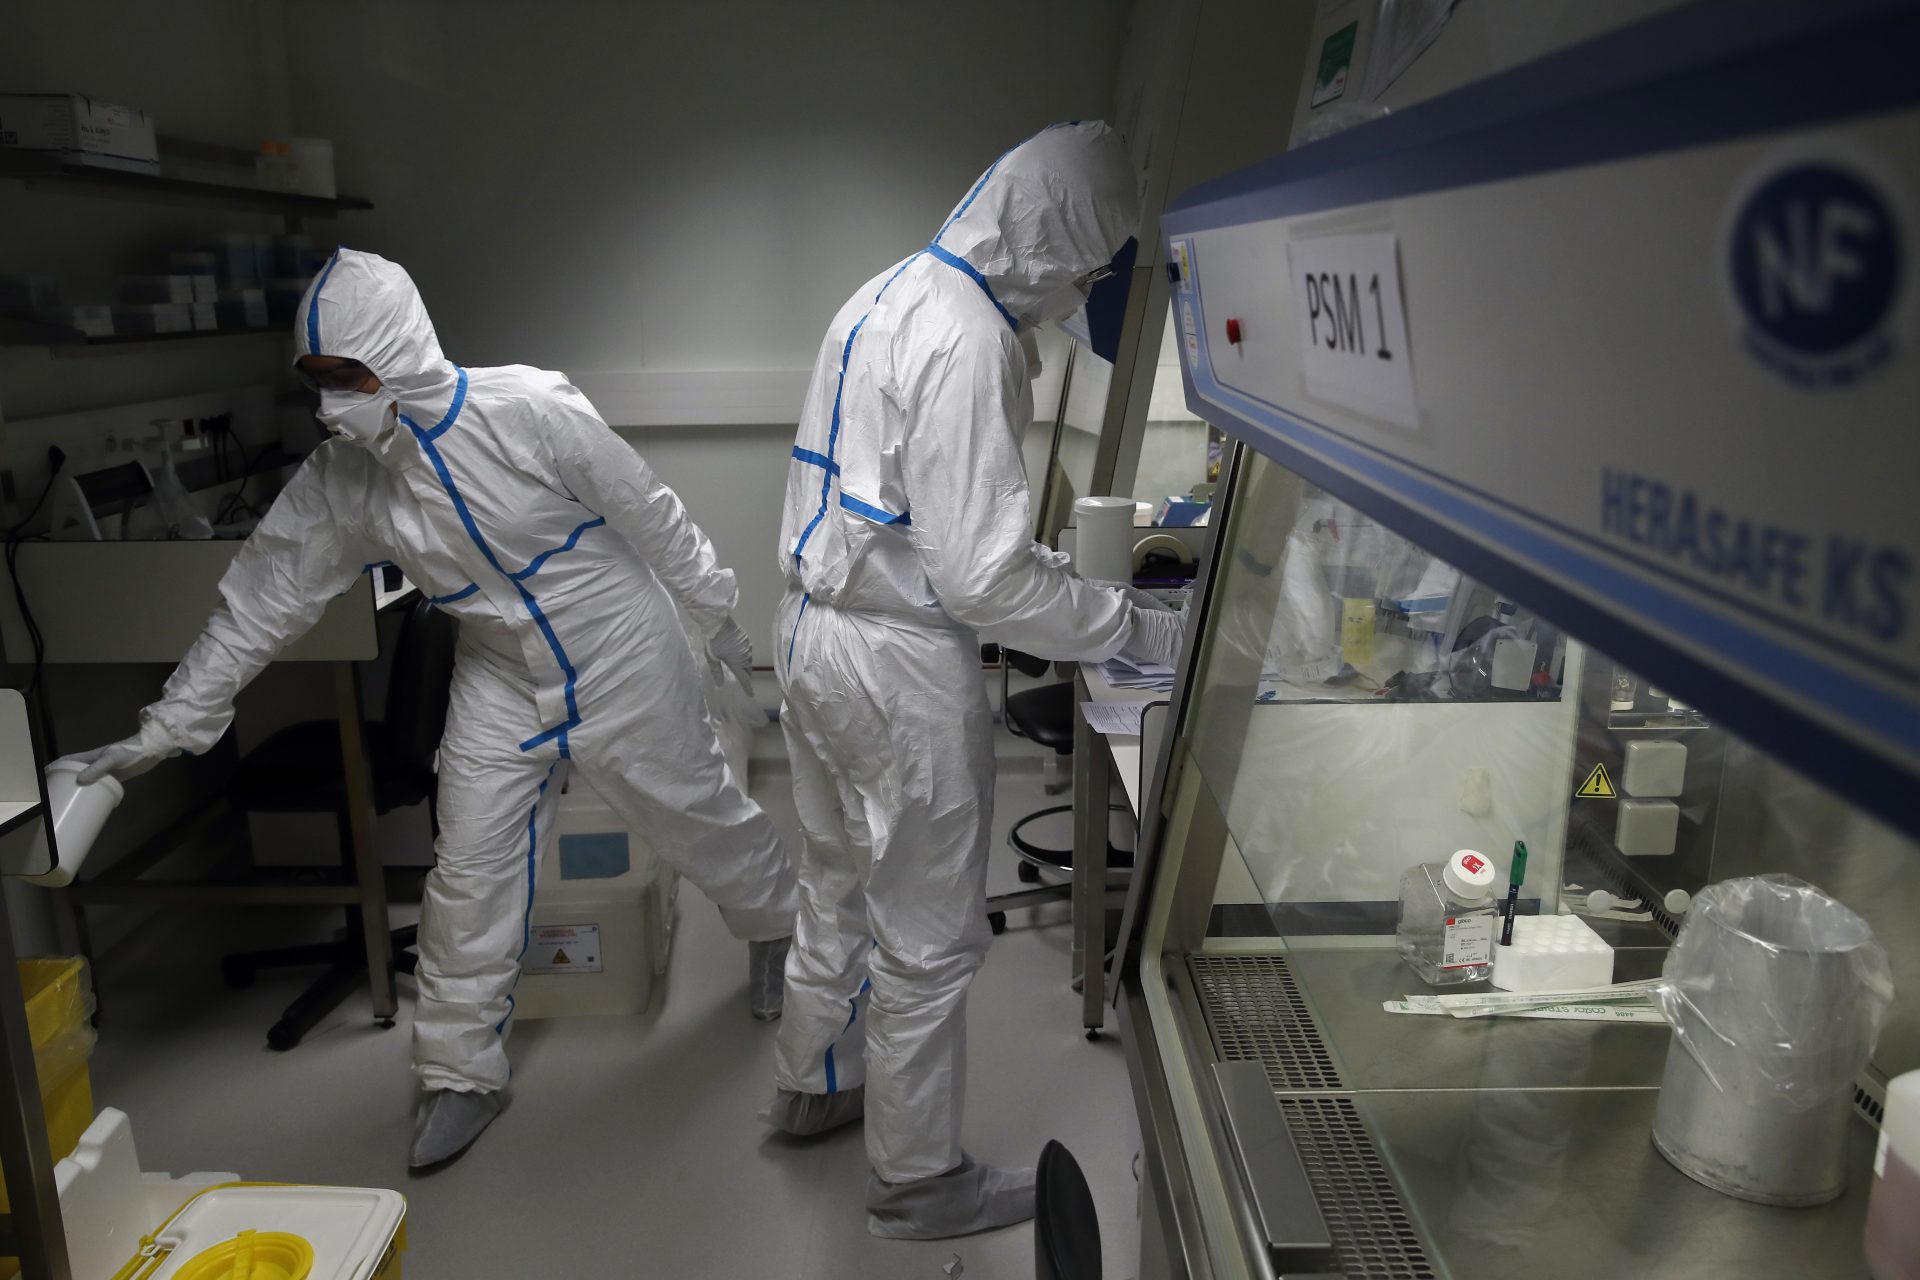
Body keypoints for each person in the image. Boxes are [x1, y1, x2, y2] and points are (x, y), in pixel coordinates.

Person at [74, 249, 799, 1169]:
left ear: (397, 353)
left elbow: (650, 513)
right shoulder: (346, 478)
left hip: (614, 642)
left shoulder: (528, 410)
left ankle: (776, 922)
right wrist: (169, 723)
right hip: (497, 666)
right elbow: (260, 600)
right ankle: (460, 1074)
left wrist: (720, 621)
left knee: (690, 812)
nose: (332, 404)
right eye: (317, 384)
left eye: (348, 378)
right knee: (471, 863)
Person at [765, 121, 1185, 1239]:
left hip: (809, 630)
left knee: (836, 877)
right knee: (928, 926)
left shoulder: (888, 291)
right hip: (892, 661)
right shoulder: (968, 338)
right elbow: (984, 579)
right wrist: (1128, 625)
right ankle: (916, 1177)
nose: (1081, 291)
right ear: (1052, 241)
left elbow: (921, 520)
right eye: (1088, 268)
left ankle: (813, 1078)